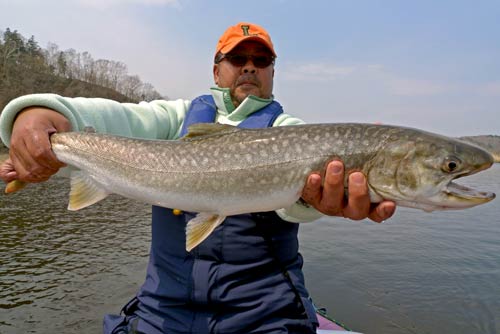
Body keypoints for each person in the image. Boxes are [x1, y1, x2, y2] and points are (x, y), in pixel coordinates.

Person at [0, 22, 395, 334]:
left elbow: (300, 210)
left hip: (265, 314)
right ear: (216, 68)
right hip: (163, 311)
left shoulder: (291, 131)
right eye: (237, 57)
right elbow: (112, 118)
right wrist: (39, 115)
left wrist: (312, 204)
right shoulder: (176, 117)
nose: (249, 66)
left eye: (261, 59)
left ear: (272, 72)